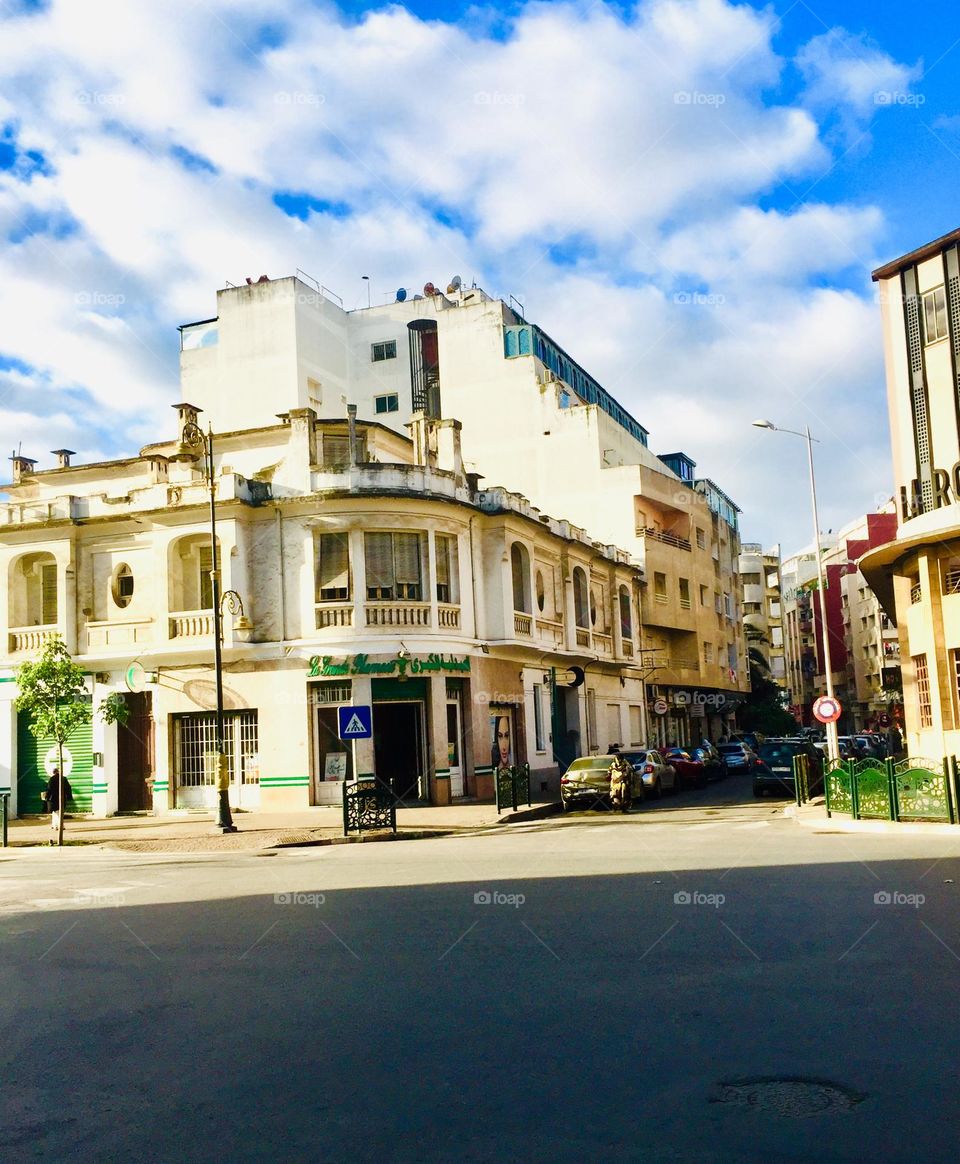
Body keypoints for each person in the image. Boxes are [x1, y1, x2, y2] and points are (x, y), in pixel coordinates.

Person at [43, 766, 73, 839]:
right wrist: (69, 796)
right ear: (58, 772)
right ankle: (56, 825)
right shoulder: (64, 778)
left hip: (54, 798)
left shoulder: (52, 779)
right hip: (62, 798)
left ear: (53, 773)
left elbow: (49, 789)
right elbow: (68, 788)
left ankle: (58, 825)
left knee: (56, 811)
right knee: (59, 812)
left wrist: (47, 797)